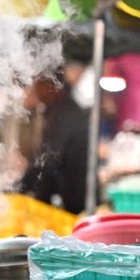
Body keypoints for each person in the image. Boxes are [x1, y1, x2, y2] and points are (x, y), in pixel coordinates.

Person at [18, 73, 92, 214]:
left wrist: (22, 188)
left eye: (37, 86)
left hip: (73, 201)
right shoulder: (61, 111)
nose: (36, 91)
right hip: (71, 197)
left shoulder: (65, 115)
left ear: (51, 85)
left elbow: (49, 161)